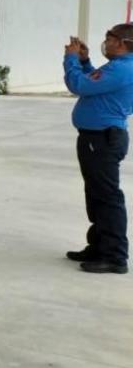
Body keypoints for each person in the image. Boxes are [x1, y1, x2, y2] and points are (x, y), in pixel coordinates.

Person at [63, 24, 133, 274]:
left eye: (110, 39)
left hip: (102, 139)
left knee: (106, 197)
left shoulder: (123, 69)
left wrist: (71, 59)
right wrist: (84, 61)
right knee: (96, 195)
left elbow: (79, 86)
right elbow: (94, 81)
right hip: (97, 138)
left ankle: (114, 256)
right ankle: (99, 245)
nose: (107, 43)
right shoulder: (118, 67)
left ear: (123, 42)